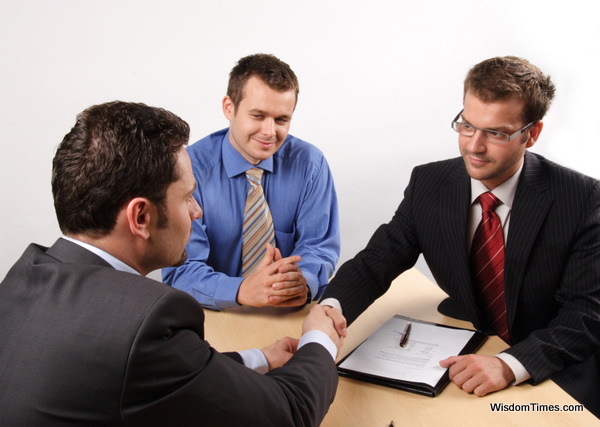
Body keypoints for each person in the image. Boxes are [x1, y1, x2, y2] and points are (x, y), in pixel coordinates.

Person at [0, 101, 345, 426]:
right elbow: (289, 414)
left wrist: (259, 359)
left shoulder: (21, 277)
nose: (197, 211)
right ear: (141, 216)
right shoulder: (145, 320)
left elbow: (155, 374)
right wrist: (319, 339)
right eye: (188, 196)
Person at [320, 56, 600, 416]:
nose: (474, 146)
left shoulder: (582, 199)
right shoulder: (429, 183)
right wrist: (329, 311)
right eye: (467, 126)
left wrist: (509, 364)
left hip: (553, 365)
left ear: (532, 134)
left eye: (496, 133)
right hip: (467, 344)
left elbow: (586, 314)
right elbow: (376, 261)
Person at [162, 53, 340, 311]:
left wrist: (302, 282)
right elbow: (180, 269)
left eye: (281, 120)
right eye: (258, 116)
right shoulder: (189, 171)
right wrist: (242, 290)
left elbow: (319, 248)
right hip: (214, 314)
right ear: (229, 107)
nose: (269, 132)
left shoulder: (310, 165)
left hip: (284, 312)